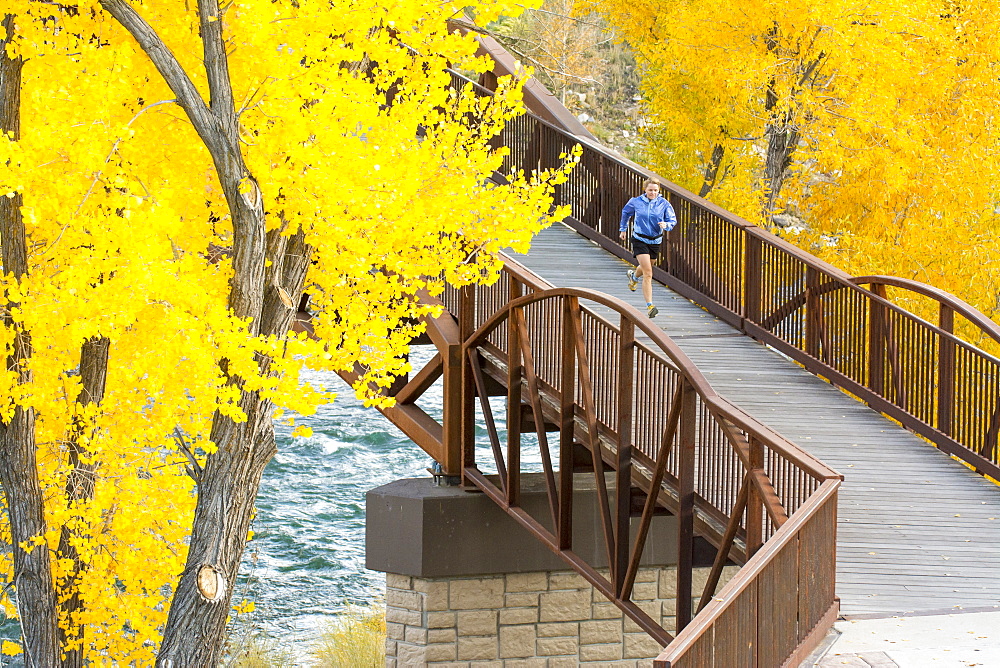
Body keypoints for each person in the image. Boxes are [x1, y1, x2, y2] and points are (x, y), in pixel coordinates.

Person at [619, 178, 677, 318]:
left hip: (655, 241)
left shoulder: (664, 204)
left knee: (647, 266)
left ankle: (633, 276)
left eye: (655, 190)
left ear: (659, 191)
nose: (653, 193)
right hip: (639, 239)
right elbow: (626, 213)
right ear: (645, 189)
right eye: (650, 190)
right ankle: (650, 306)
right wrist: (623, 229)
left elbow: (672, 220)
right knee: (648, 273)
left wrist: (666, 225)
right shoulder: (636, 202)